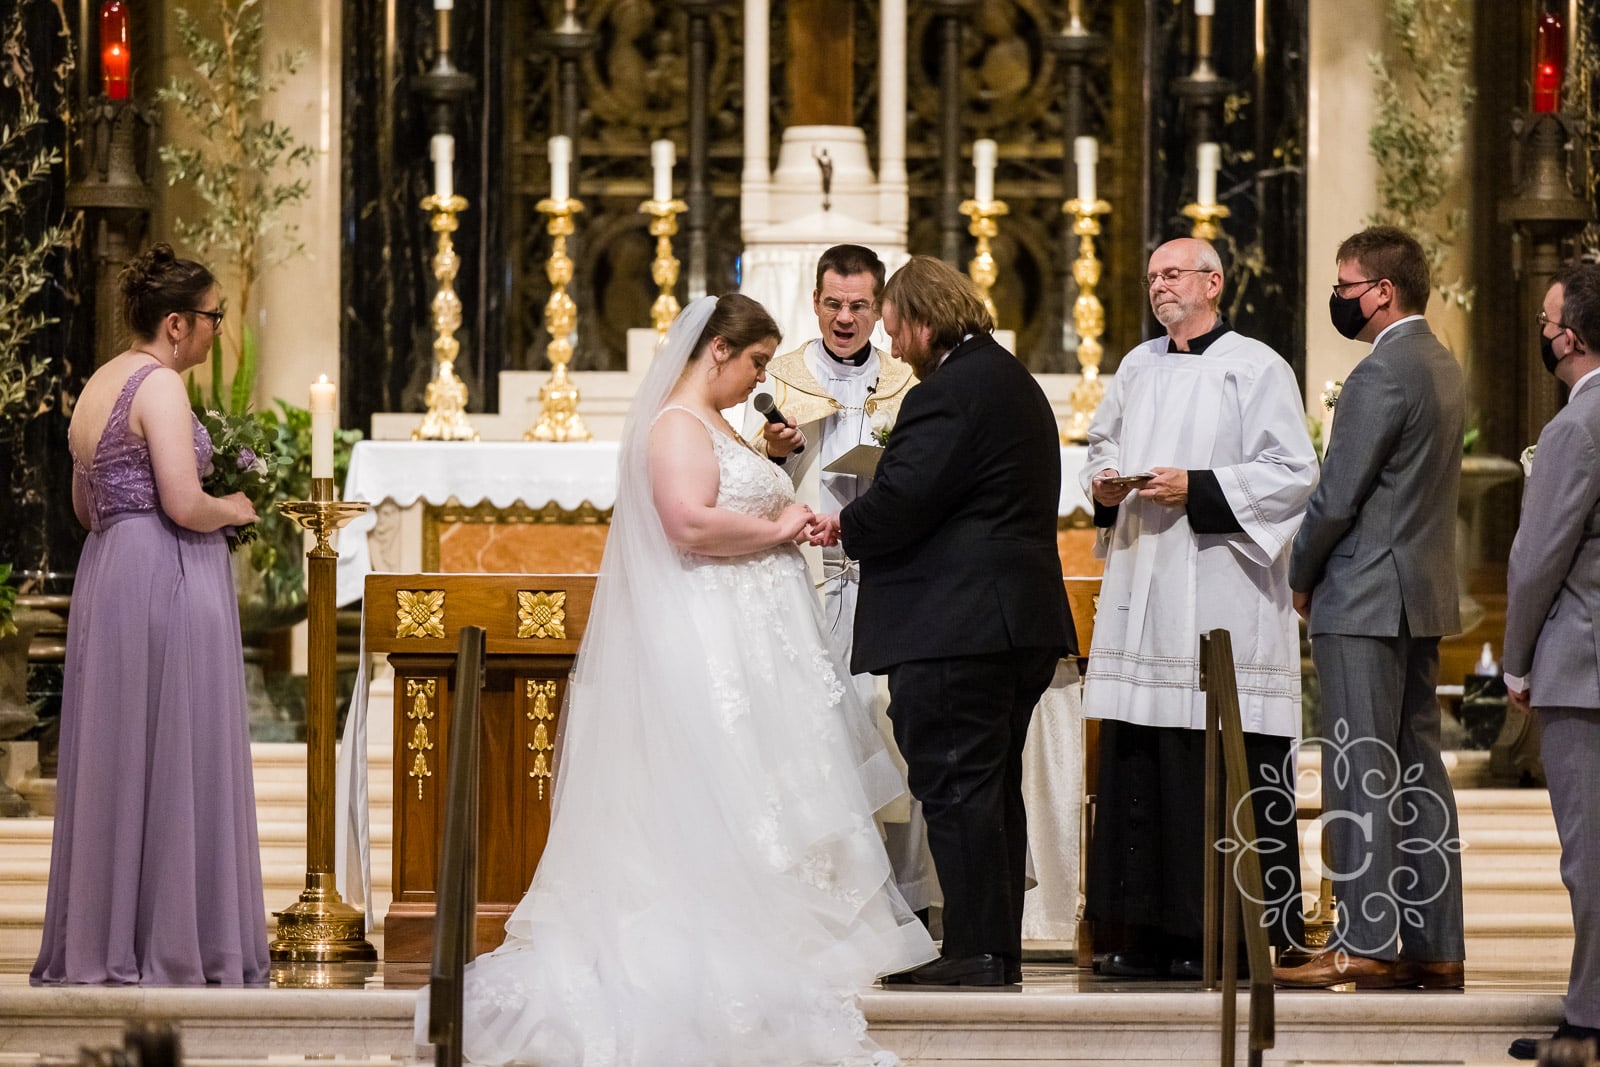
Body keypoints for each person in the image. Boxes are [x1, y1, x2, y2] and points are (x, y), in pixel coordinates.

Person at [436, 294, 934, 1065]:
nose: (760, 377)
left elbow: (726, 493)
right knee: (724, 785)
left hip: (749, 636)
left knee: (764, 785)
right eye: (757, 363)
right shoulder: (674, 425)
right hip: (712, 635)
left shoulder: (716, 424)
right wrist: (777, 526)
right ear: (717, 352)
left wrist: (770, 466)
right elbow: (689, 522)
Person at [809, 255, 1074, 987]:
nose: (892, 347)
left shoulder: (950, 392)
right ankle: (993, 947)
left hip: (960, 626)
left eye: (896, 331)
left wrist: (847, 524)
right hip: (1008, 622)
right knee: (986, 788)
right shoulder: (1010, 380)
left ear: (924, 322)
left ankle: (976, 952)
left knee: (957, 785)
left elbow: (903, 500)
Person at [1079, 237, 1317, 979]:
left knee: (1213, 759)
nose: (1159, 286)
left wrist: (1201, 488)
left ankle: (1223, 934)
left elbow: (1293, 472)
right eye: (1151, 276)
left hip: (1220, 587)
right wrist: (1107, 480)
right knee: (1142, 759)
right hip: (1143, 585)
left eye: (1173, 273)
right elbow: (1099, 442)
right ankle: (1143, 933)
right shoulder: (1136, 365)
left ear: (1214, 283)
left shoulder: (1256, 365)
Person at [31, 244, 267, 986]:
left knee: (120, 752)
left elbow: (82, 504)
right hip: (165, 575)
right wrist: (233, 505)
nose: (216, 330)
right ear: (174, 323)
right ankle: (174, 941)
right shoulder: (160, 388)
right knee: (174, 752)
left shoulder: (97, 383)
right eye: (211, 317)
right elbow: (182, 499)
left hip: (110, 575)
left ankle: (107, 938)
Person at [1276, 225, 1466, 990]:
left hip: (1362, 597)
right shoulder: (1442, 363)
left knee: (1361, 771)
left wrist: (1299, 569)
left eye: (1345, 285)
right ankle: (1432, 941)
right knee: (1419, 771)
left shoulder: (1381, 372)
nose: (1339, 298)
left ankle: (1365, 940)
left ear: (1382, 291)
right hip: (1419, 593)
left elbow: (1337, 494)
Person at [748, 244, 935, 915]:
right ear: (816, 301)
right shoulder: (780, 378)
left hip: (892, 575)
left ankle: (897, 894)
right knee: (813, 730)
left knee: (891, 730)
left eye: (860, 305)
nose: (846, 318)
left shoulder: (907, 377)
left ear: (880, 305)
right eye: (834, 304)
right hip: (808, 573)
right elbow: (741, 476)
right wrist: (773, 451)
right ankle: (818, 893)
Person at [1505, 265, 1600, 1059]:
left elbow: (1539, 558)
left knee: (1590, 851)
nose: (1543, 332)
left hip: (1586, 664)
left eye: (1545, 321)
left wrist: (1513, 660)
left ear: (1568, 336)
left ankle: (1589, 1020)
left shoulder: (1578, 426)